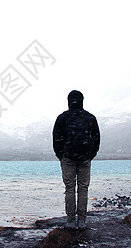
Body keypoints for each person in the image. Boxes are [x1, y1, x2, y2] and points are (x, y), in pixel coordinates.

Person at [52, 90, 100, 229]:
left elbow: (56, 139)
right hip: (85, 158)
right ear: (82, 101)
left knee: (70, 188)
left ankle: (71, 221)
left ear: (69, 101)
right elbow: (96, 138)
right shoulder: (90, 117)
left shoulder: (62, 118)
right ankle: (82, 220)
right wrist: (91, 154)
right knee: (83, 189)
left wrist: (61, 156)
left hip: (68, 158)